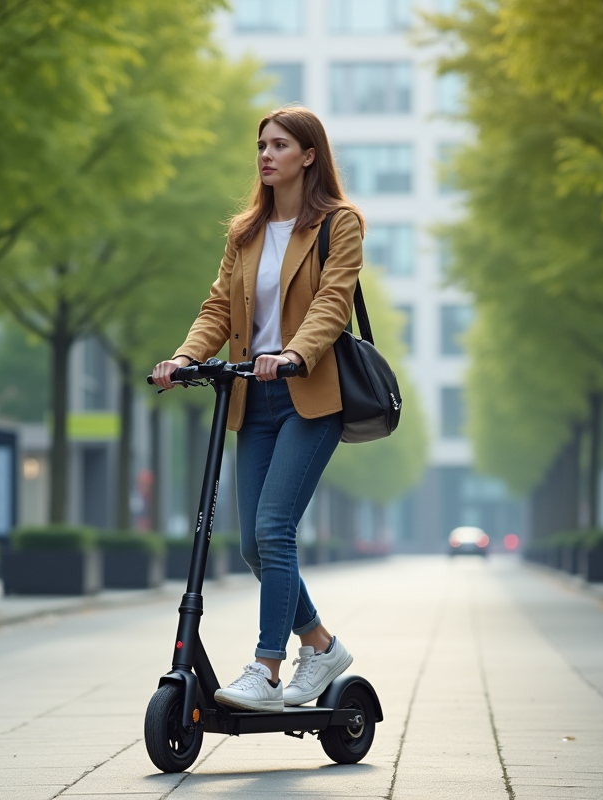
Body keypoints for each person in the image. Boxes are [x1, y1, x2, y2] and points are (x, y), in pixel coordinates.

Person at [151, 106, 365, 712]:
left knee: (275, 528)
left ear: (309, 156)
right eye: (261, 146)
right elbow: (219, 307)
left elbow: (333, 301)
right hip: (254, 396)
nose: (266, 155)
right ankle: (320, 645)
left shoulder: (338, 224)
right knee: (252, 544)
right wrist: (184, 358)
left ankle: (267, 670)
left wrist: (294, 354)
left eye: (279, 145)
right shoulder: (245, 231)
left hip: (309, 394)